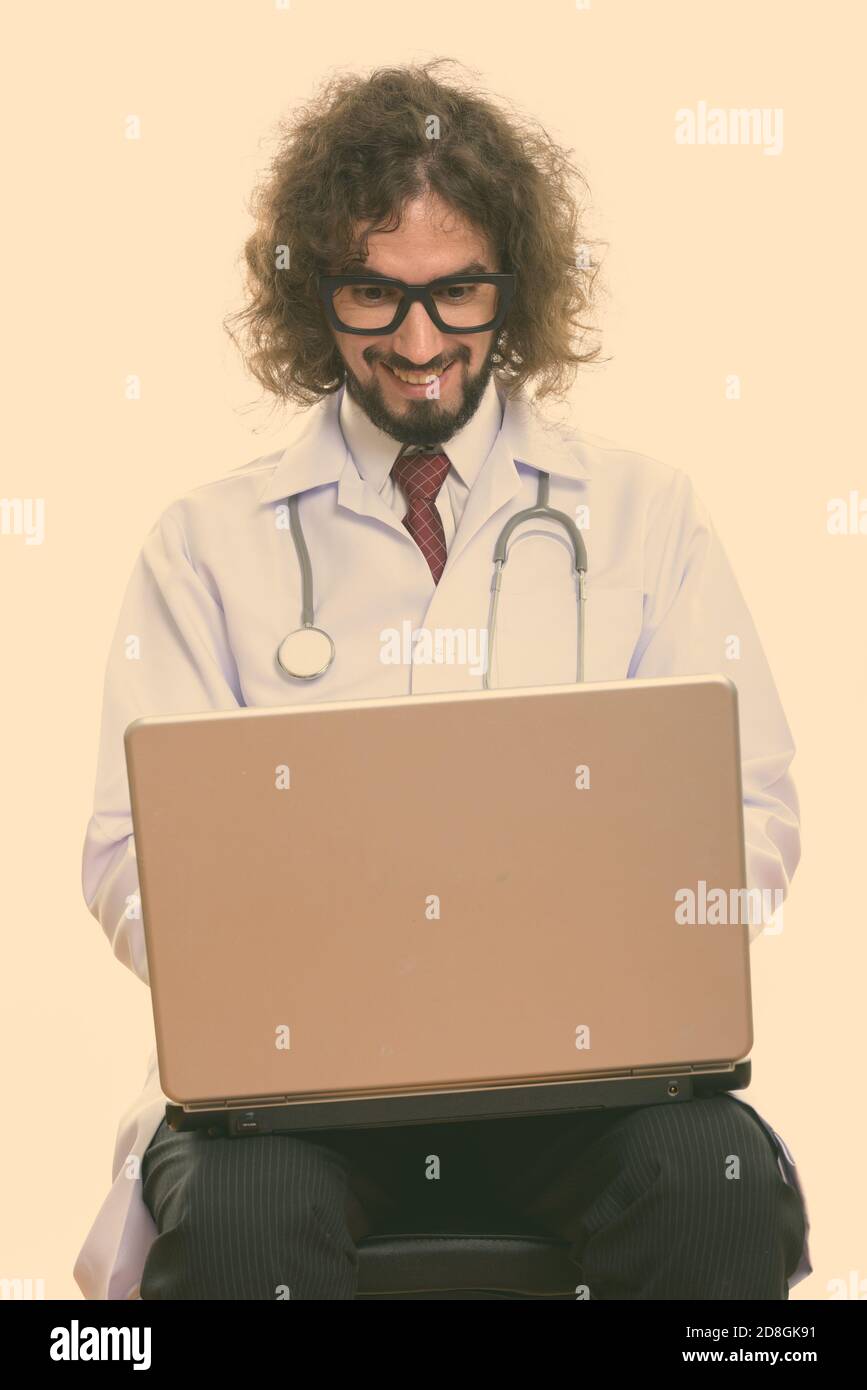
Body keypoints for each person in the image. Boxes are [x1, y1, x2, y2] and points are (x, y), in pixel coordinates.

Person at [75, 60, 810, 1300]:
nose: (419, 346)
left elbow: (753, 816)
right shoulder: (205, 544)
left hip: (590, 1076)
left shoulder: (645, 515)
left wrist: (618, 944)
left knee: (710, 1186)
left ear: (513, 291)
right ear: (314, 297)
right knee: (246, 1222)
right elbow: (122, 854)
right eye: (376, 294)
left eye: (456, 293)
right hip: (298, 1097)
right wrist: (280, 965)